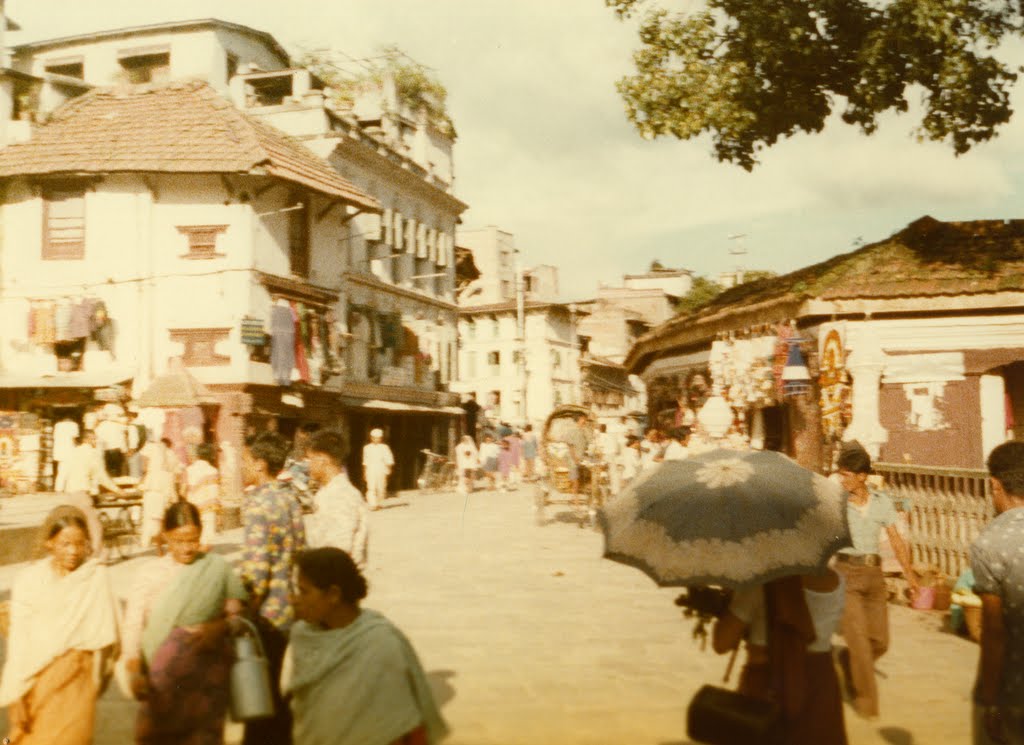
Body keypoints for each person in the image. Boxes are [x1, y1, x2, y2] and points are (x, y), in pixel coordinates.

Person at [283, 547, 449, 745]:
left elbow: (398, 724)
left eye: (304, 592)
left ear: (333, 595)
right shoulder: (303, 635)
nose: (294, 599)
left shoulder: (381, 641)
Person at [122, 502, 246, 745]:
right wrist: (134, 668)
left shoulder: (216, 567)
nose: (187, 548)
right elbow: (133, 624)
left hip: (207, 672)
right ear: (166, 536)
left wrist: (222, 627)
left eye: (193, 540)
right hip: (163, 676)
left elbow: (239, 615)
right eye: (179, 540)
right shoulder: (150, 573)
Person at [0, 506, 119, 745]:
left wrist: (96, 681)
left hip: (77, 681)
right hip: (35, 681)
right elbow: (20, 641)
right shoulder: (30, 580)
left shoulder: (95, 576)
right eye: (65, 543)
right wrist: (16, 694)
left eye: (80, 543)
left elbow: (107, 637)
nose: (73, 551)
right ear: (49, 543)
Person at [833, 440, 919, 720]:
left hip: (874, 577)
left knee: (879, 641)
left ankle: (848, 661)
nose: (841, 479)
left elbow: (895, 539)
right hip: (845, 574)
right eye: (840, 474)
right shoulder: (836, 504)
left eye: (846, 475)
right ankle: (867, 703)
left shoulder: (881, 503)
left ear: (862, 476)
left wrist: (910, 575)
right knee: (858, 640)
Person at [712, 572, 848, 744]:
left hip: (767, 684)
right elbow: (839, 628)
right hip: (821, 686)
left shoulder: (761, 582)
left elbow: (721, 643)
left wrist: (728, 607)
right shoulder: (836, 581)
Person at [240, 431, 307, 745]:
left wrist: (245, 610)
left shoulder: (258, 505)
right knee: (276, 689)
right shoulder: (289, 498)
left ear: (260, 465)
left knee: (259, 693)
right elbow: (299, 549)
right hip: (288, 606)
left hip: (265, 613)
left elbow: (257, 569)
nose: (243, 467)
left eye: (246, 461)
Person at [970, 440, 1024, 744]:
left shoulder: (989, 543)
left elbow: (993, 631)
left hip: (1014, 692)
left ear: (995, 485)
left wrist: (989, 699)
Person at [305, 430, 369, 570]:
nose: (307, 466)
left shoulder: (340, 496)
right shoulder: (327, 491)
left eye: (309, 459)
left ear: (322, 460)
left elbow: (338, 553)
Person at [54, 431, 124, 555]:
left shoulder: (71, 452)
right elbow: (102, 476)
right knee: (95, 527)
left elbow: (62, 474)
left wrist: (59, 491)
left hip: (69, 496)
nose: (95, 442)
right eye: (94, 440)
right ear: (88, 440)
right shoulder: (92, 454)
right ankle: (96, 555)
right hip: (82, 495)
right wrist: (117, 490)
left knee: (74, 525)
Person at [139, 438, 183, 550]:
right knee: (161, 516)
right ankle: (159, 539)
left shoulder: (152, 446)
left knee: (149, 514)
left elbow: (144, 463)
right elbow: (178, 474)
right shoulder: (172, 454)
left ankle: (146, 541)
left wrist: (144, 475)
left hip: (153, 485)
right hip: (167, 487)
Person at [184, 442, 221, 541]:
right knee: (207, 539)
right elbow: (214, 494)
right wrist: (218, 513)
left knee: (195, 538)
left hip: (193, 509)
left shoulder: (189, 469)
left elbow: (185, 491)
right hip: (208, 510)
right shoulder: (213, 471)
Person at [362, 428, 395, 511]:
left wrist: (389, 468)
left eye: (378, 438)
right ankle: (373, 504)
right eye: (374, 437)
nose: (376, 439)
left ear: (381, 438)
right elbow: (365, 461)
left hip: (381, 468)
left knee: (381, 488)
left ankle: (379, 502)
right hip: (371, 469)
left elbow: (389, 459)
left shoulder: (384, 447)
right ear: (371, 438)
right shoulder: (367, 448)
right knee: (371, 487)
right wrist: (365, 472)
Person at [562, 414, 591, 495]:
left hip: (581, 457)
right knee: (575, 481)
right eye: (583, 419)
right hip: (573, 458)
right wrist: (575, 459)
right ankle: (576, 503)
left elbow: (587, 444)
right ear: (579, 419)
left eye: (585, 419)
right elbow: (570, 447)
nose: (585, 421)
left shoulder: (584, 430)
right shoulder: (572, 430)